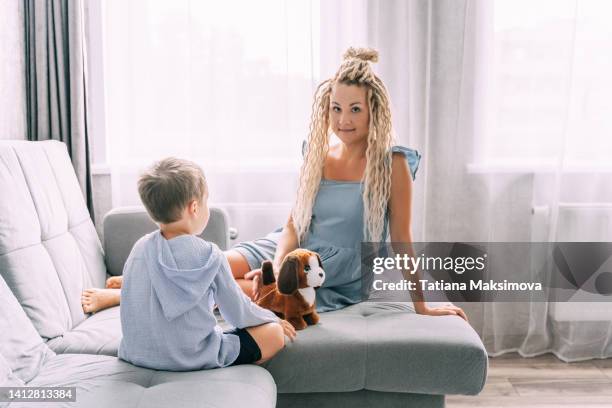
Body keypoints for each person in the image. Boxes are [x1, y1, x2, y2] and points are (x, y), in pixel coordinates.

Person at [228, 47, 468, 320]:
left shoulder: (393, 163)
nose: (343, 120)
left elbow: (401, 239)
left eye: (355, 109)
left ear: (373, 111)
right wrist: (280, 266)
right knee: (215, 268)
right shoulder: (317, 155)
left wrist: (421, 305)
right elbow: (294, 224)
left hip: (332, 268)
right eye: (336, 109)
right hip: (287, 250)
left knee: (235, 289)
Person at [117, 158, 295, 371]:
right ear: (194, 207)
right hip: (193, 357)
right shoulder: (211, 255)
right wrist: (272, 319)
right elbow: (239, 313)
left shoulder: (139, 248)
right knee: (274, 335)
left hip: (138, 355)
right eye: (206, 201)